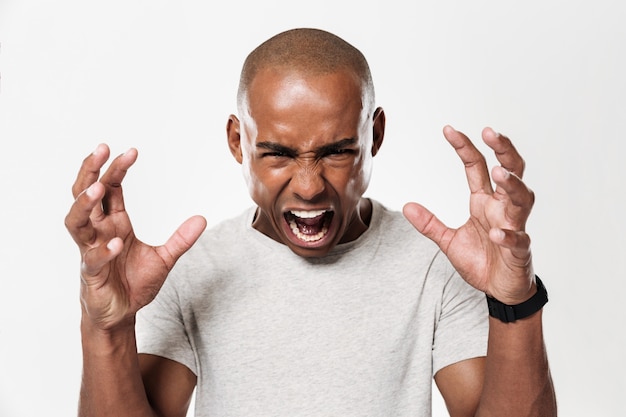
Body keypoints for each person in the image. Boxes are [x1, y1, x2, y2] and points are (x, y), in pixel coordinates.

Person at [65, 28, 556, 416]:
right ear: (238, 142)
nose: (308, 186)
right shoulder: (193, 271)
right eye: (277, 154)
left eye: (338, 152)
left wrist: (514, 301)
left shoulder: (435, 266)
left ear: (375, 135)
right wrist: (107, 327)